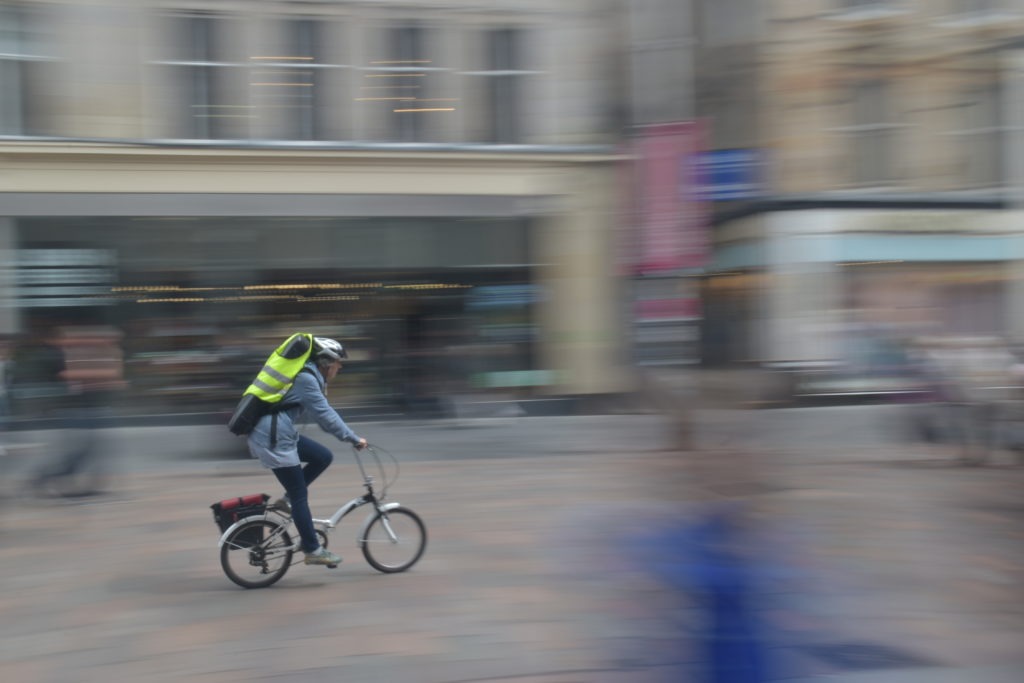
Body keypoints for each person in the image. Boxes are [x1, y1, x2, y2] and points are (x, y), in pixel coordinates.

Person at [246, 336, 367, 567]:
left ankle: (288, 500)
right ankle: (312, 549)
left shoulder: (309, 377)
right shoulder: (306, 379)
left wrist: (347, 437)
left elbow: (322, 419)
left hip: (279, 433)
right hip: (272, 437)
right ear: (326, 362)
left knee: (322, 457)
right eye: (338, 363)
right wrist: (353, 438)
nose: (340, 367)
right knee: (300, 495)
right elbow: (327, 416)